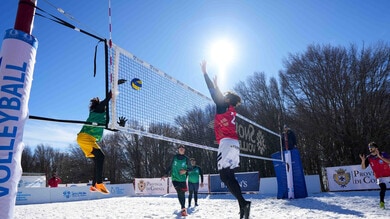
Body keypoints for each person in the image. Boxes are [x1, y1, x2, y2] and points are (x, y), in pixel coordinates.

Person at [200, 60, 251, 219]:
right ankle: (243, 205)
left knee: (224, 176)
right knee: (229, 177)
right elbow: (221, 96)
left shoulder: (223, 105)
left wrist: (205, 73)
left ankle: (243, 203)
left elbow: (212, 92)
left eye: (224, 96)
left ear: (227, 100)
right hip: (234, 144)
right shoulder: (231, 109)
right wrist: (218, 86)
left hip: (227, 143)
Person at [77, 80, 126, 194]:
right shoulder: (96, 110)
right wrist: (115, 85)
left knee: (98, 160)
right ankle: (99, 183)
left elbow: (112, 129)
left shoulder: (102, 118)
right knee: (101, 157)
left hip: (87, 139)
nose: (103, 106)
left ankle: (94, 185)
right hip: (85, 137)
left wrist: (121, 125)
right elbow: (108, 99)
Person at [162, 145, 192, 216]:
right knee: (179, 191)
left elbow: (190, 169)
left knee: (182, 193)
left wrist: (185, 171)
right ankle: (183, 208)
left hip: (183, 179)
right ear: (178, 150)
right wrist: (165, 174)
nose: (181, 150)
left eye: (182, 149)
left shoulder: (186, 159)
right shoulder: (174, 157)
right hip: (175, 178)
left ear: (184, 150)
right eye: (180, 149)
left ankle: (183, 207)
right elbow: (170, 166)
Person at [359, 142, 390, 209]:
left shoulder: (383, 154)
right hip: (379, 176)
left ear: (376, 148)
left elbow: (389, 162)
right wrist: (363, 161)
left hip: (388, 174)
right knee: (383, 188)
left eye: (372, 147)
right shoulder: (369, 157)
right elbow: (363, 168)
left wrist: (380, 157)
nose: (370, 149)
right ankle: (382, 203)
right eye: (369, 148)